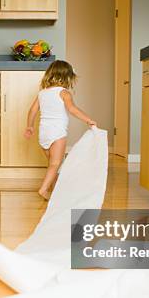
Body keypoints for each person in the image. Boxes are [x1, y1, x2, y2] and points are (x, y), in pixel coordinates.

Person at [24, 60, 96, 200]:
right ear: (67, 77)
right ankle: (43, 190)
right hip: (57, 133)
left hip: (43, 133)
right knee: (56, 163)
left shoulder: (42, 93)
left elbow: (32, 111)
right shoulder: (64, 93)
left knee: (53, 164)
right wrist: (88, 119)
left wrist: (30, 126)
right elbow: (72, 109)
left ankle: (56, 190)